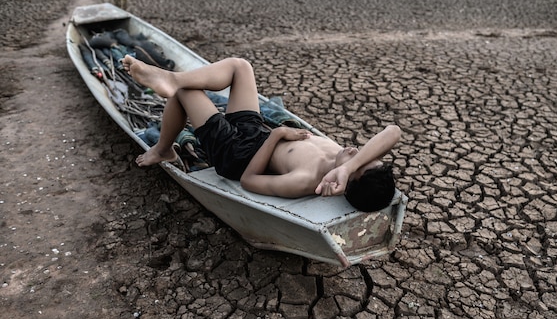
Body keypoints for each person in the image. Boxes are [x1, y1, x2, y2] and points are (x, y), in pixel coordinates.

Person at [122, 55, 401, 211]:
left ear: (344, 185)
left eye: (359, 165)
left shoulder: (306, 180)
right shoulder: (346, 159)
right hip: (256, 132)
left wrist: (277, 135)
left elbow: (248, 180)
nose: (357, 152)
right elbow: (393, 131)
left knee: (187, 93)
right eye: (366, 158)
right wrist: (351, 165)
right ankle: (170, 78)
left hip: (237, 154)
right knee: (241, 67)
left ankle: (162, 148)